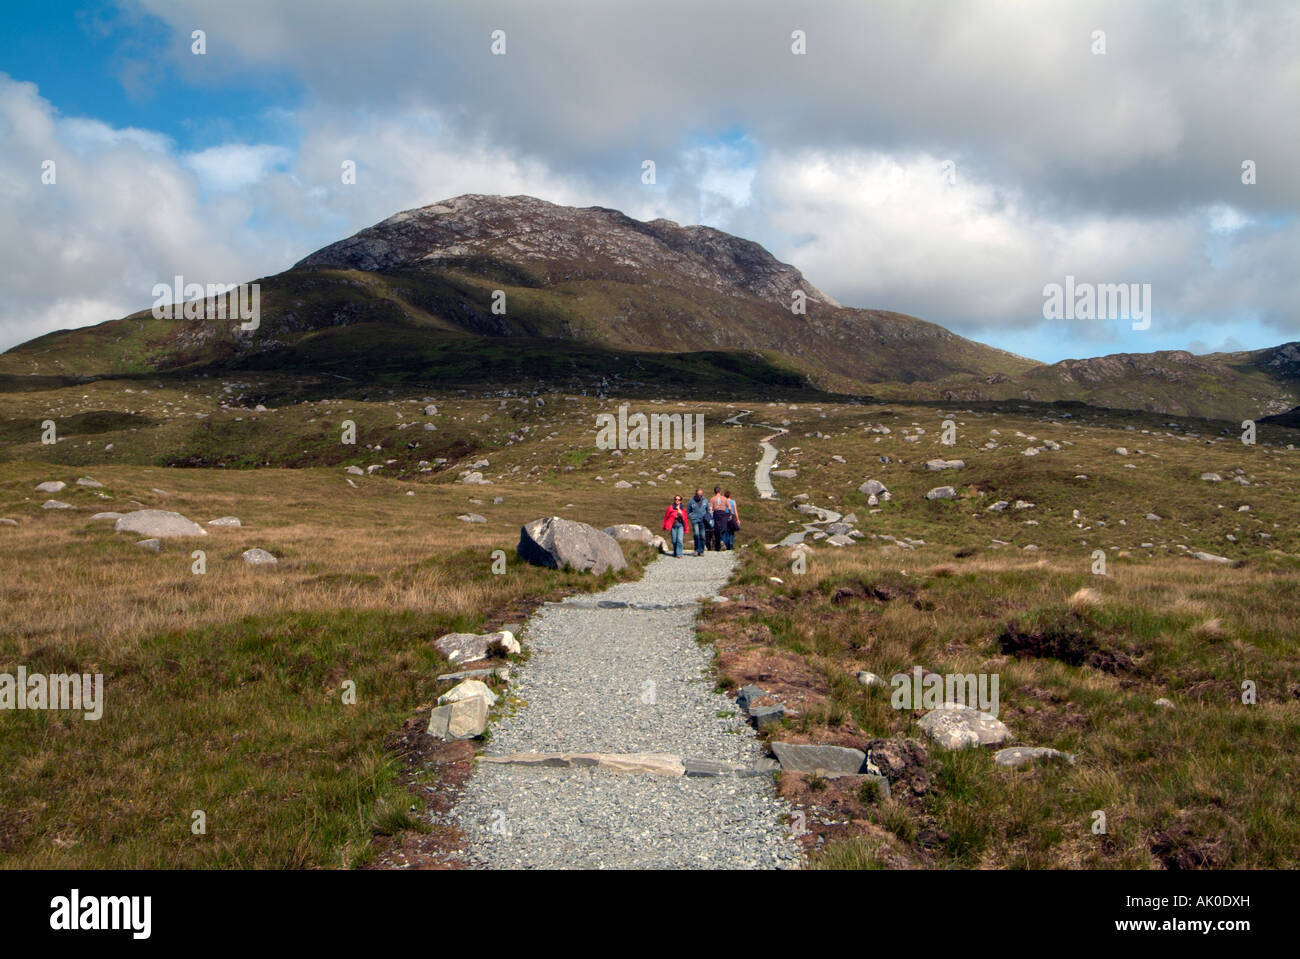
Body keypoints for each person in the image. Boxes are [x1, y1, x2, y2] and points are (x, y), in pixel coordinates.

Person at [685, 488, 711, 556]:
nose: (700, 496)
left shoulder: (705, 501)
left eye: (701, 495)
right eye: (698, 495)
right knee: (696, 534)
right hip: (695, 520)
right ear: (695, 494)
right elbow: (688, 511)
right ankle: (696, 550)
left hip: (703, 521)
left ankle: (701, 550)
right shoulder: (691, 501)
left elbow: (708, 510)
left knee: (702, 536)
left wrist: (707, 517)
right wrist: (692, 517)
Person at [709, 485, 729, 551]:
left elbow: (710, 509)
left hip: (716, 513)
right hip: (723, 513)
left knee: (717, 529)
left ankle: (718, 545)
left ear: (714, 491)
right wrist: (730, 514)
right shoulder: (724, 498)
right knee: (723, 528)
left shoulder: (712, 499)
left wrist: (711, 516)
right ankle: (722, 543)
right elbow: (729, 508)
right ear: (720, 491)